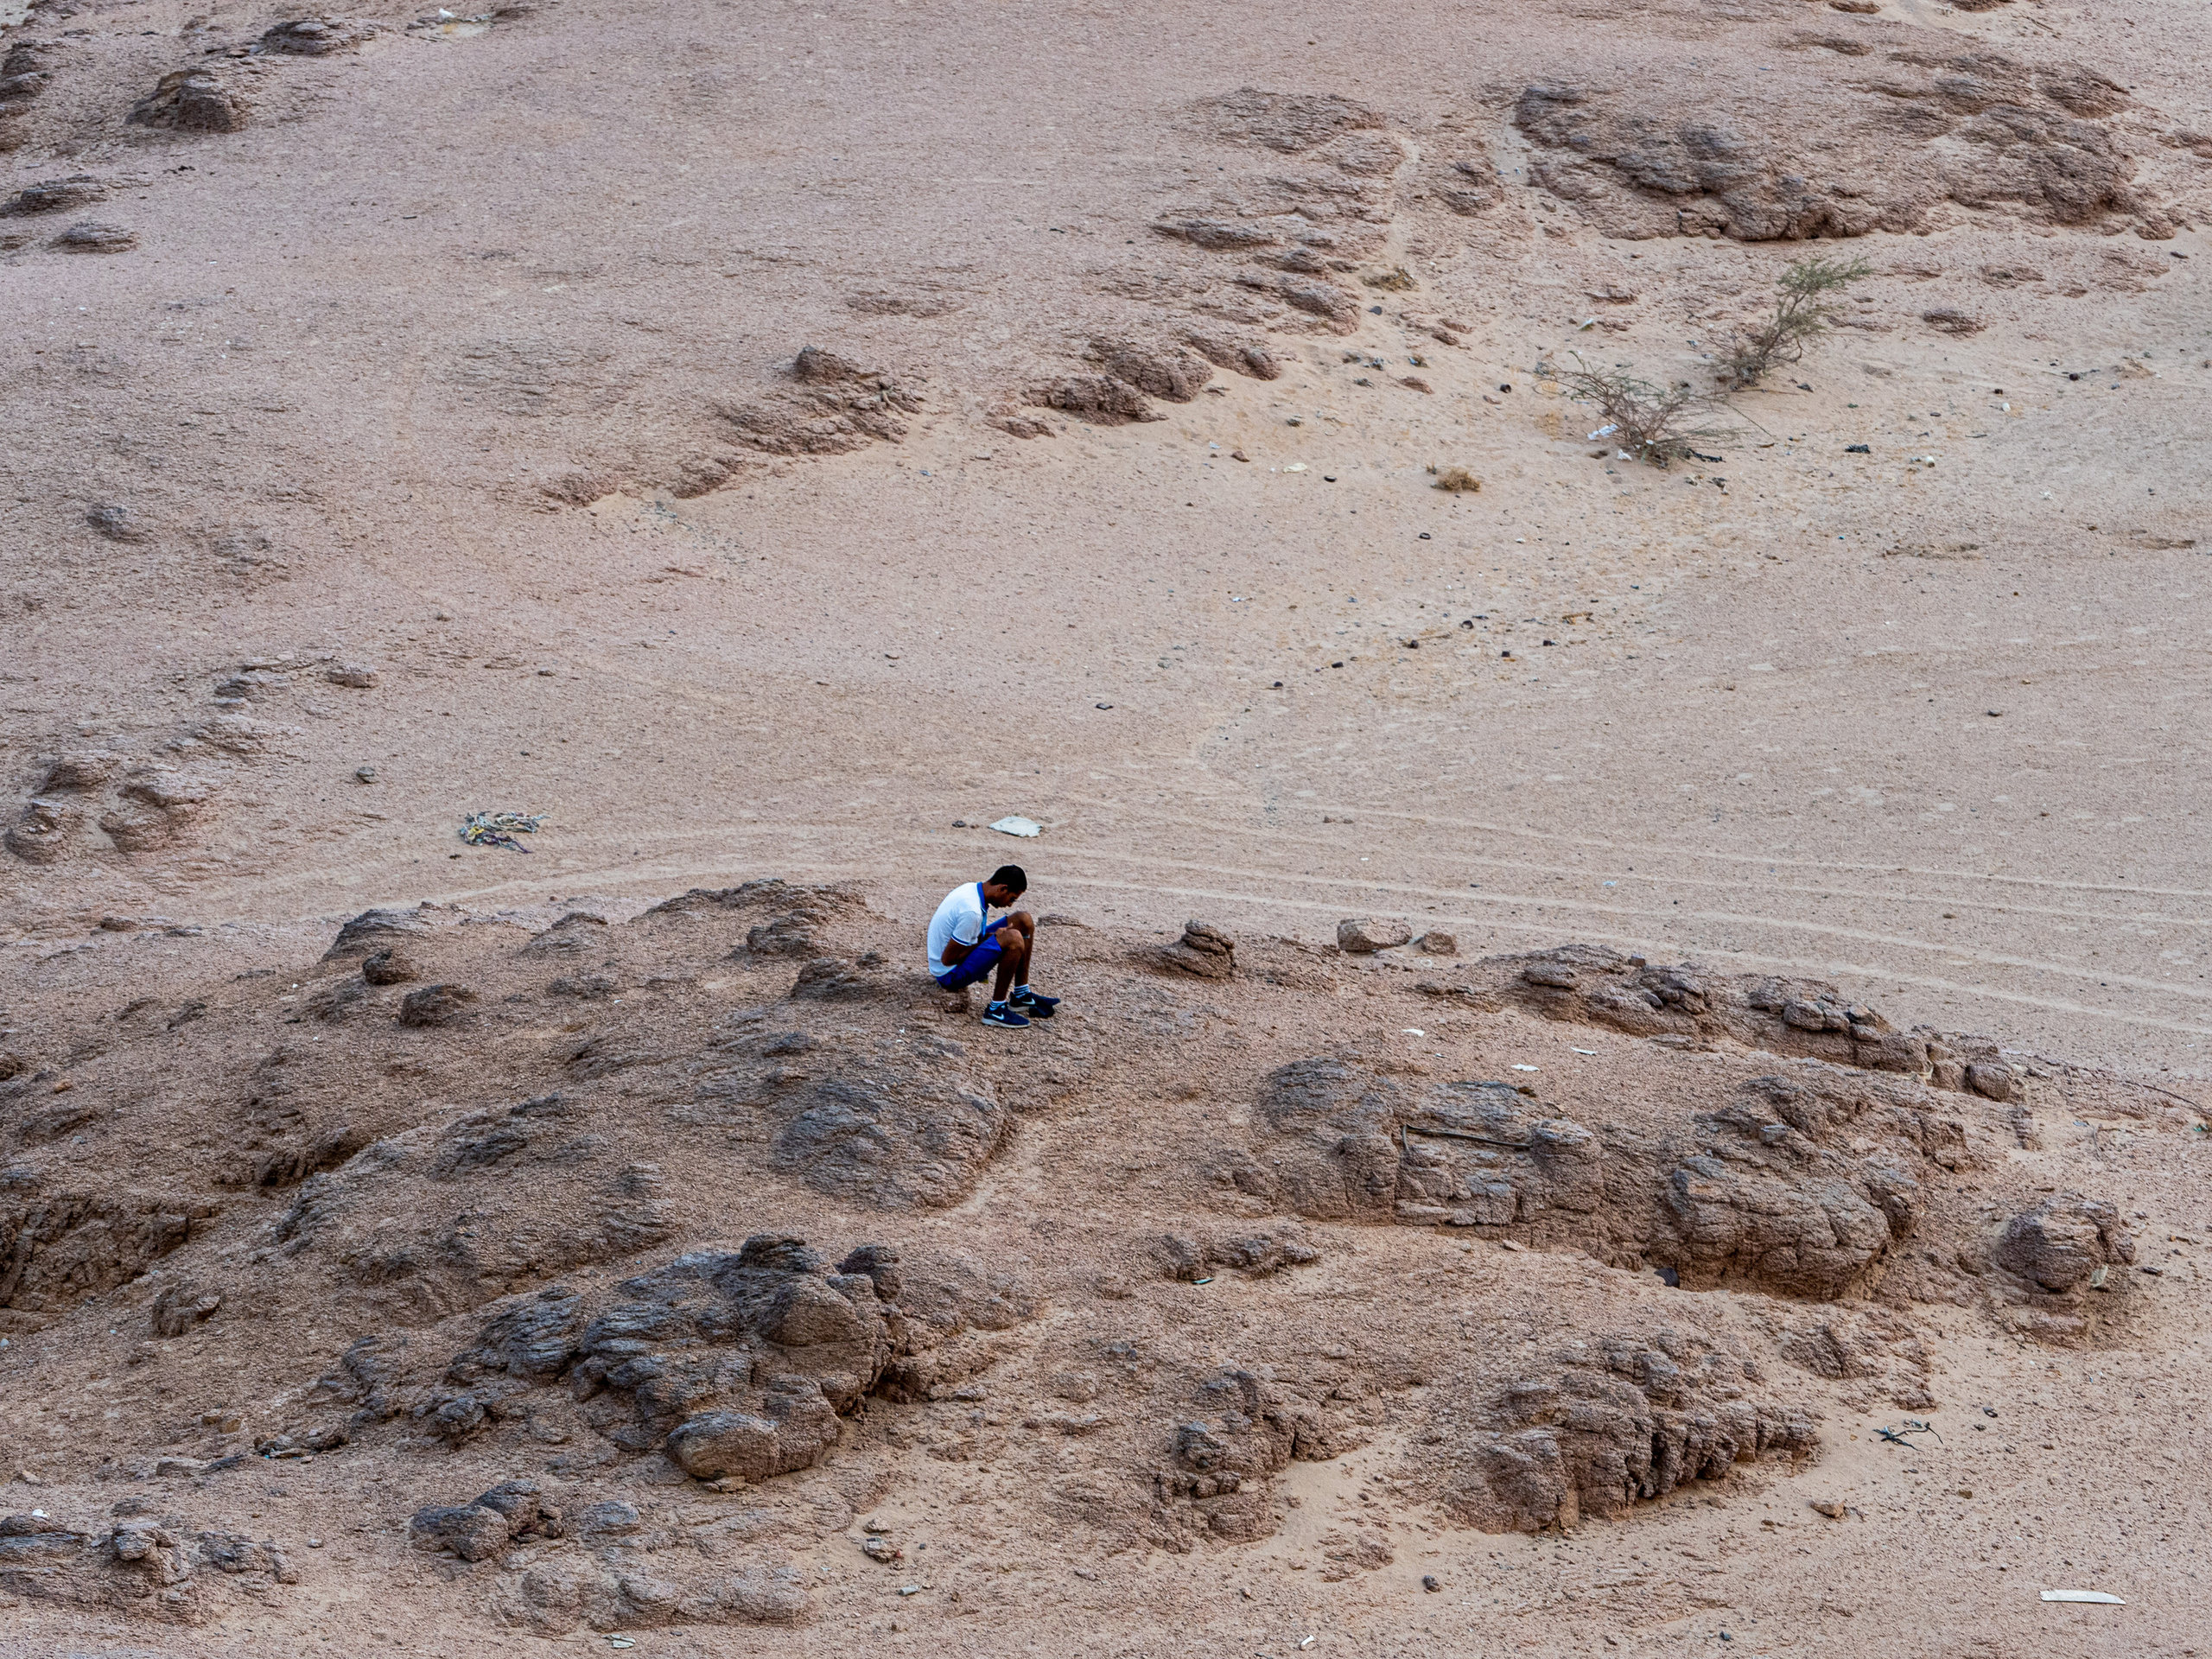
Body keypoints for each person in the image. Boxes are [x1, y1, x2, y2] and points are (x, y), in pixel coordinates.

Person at [925, 864, 1060, 1028]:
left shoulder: (972, 889)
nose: (1010, 905)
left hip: (959, 950)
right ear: (1003, 889)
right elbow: (948, 959)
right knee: (1014, 939)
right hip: (949, 974)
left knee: (1024, 919)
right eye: (1012, 898)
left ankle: (1021, 995)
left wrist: (989, 938)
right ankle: (996, 1010)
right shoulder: (972, 912)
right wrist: (989, 940)